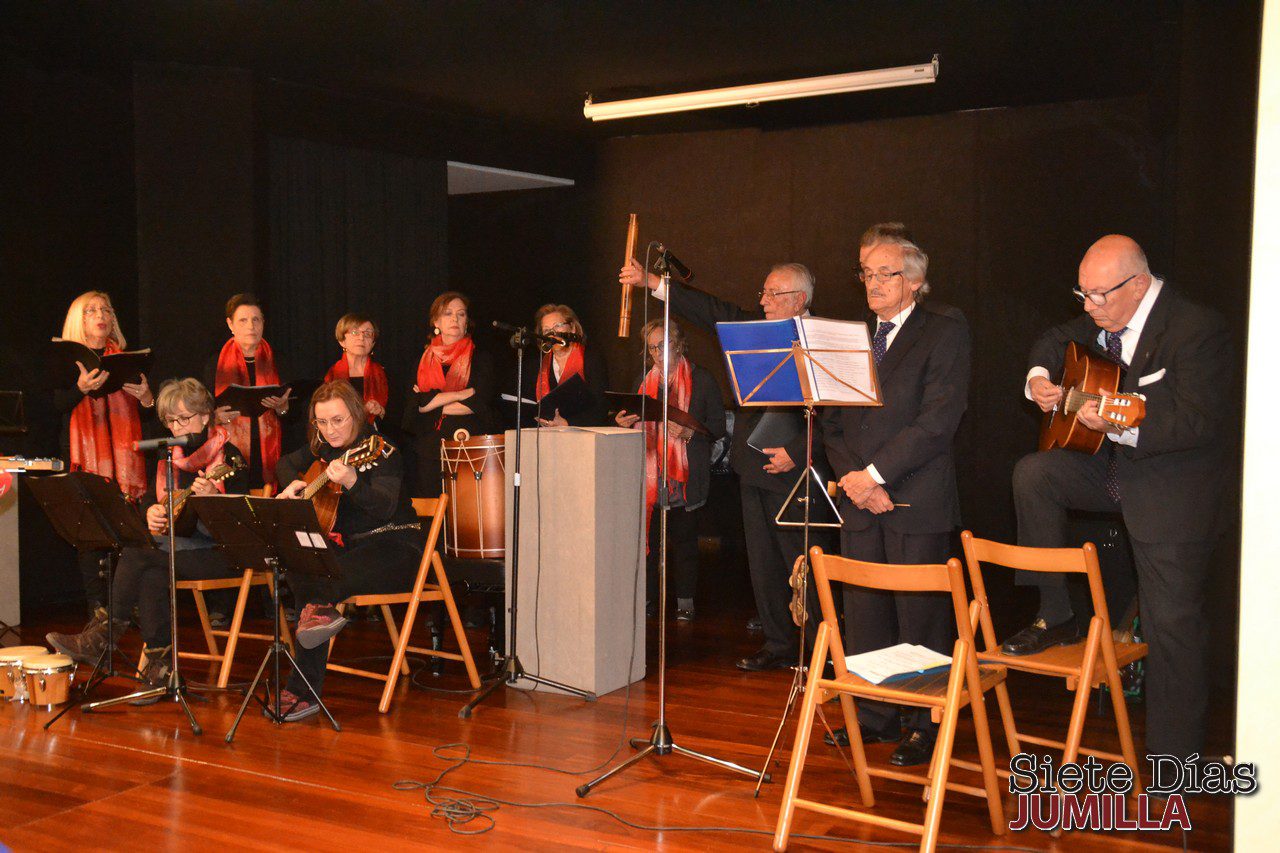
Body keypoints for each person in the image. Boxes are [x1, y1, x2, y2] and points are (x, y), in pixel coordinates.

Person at [1008, 234, 1231, 764]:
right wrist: (1039, 377)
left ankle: (1174, 760)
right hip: (1114, 473)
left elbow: (1198, 422)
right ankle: (1056, 611)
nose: (1088, 307)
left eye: (1098, 296)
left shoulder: (1197, 329)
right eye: (1081, 294)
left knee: (1170, 624)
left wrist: (1121, 425)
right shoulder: (1101, 312)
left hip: (1174, 488)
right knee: (1035, 474)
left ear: (1138, 284)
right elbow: (1054, 338)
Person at [620, 258, 826, 670]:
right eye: (762, 293)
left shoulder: (829, 339)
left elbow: (841, 415)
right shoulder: (753, 328)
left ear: (799, 299)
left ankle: (823, 651)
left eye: (773, 294)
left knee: (803, 561)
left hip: (798, 470)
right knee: (763, 561)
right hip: (752, 464)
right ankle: (778, 643)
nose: (764, 300)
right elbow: (710, 309)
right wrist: (651, 282)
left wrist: (801, 452)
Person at [820, 226, 971, 767]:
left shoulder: (944, 331)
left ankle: (922, 723)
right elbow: (832, 424)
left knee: (920, 617)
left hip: (915, 498)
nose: (874, 283)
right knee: (865, 613)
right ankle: (872, 715)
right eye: (866, 272)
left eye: (887, 273)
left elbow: (938, 421)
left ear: (915, 281)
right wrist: (856, 482)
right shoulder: (850, 335)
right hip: (858, 500)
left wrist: (876, 476)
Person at [46, 378, 248, 701]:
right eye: (170, 420)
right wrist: (151, 513)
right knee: (152, 569)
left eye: (185, 418)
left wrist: (214, 503)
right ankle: (159, 672)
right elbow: (151, 511)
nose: (177, 426)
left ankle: (105, 636)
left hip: (223, 553)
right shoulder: (169, 458)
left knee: (140, 553)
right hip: (177, 549)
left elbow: (243, 525)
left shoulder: (230, 457)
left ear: (206, 416)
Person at [272, 381, 424, 721]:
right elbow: (284, 463)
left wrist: (354, 481)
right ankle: (320, 623)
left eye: (338, 420)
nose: (330, 430)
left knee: (320, 581)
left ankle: (302, 690)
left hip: (396, 547)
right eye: (322, 423)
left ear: (356, 414)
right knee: (301, 562)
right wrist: (293, 485)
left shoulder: (383, 451)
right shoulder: (322, 448)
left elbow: (385, 507)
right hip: (353, 551)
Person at [616, 318, 726, 621]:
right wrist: (623, 422)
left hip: (685, 475)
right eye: (651, 348)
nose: (656, 353)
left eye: (662, 345)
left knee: (685, 541)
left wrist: (690, 432)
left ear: (677, 345)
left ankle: (685, 601)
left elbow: (718, 426)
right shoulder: (643, 379)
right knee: (649, 539)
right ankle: (649, 599)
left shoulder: (701, 378)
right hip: (651, 474)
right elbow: (628, 415)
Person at [53, 291, 153, 612]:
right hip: (84, 457)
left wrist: (148, 397)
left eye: (106, 309)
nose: (101, 315)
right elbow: (53, 406)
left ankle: (127, 606)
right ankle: (98, 608)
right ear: (77, 320)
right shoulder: (67, 361)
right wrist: (79, 390)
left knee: (128, 529)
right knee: (90, 534)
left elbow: (150, 416)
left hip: (125, 462)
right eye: (91, 310)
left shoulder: (125, 359)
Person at [402, 291, 494, 497]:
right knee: (433, 515)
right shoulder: (420, 360)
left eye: (461, 314)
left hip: (470, 446)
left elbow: (478, 403)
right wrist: (460, 394)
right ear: (436, 322)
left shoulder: (481, 358)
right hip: (428, 448)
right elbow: (414, 405)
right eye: (447, 313)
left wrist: (431, 404)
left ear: (467, 322)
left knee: (467, 516)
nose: (455, 318)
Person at [205, 293, 292, 494]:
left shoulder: (280, 361)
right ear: (230, 324)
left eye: (256, 319)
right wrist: (214, 418)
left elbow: (294, 417)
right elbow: (202, 411)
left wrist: (283, 409)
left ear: (263, 323)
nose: (251, 326)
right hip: (230, 455)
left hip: (272, 457)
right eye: (243, 320)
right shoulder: (215, 364)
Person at [528, 303, 608, 427]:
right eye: (547, 330)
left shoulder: (590, 359)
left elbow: (601, 407)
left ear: (572, 328)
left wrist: (567, 423)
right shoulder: (540, 365)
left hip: (586, 436)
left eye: (557, 326)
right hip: (549, 438)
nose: (552, 333)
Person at [324, 313, 389, 425]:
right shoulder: (331, 375)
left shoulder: (385, 374)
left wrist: (381, 411)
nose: (361, 337)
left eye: (368, 333)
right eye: (355, 332)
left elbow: (398, 417)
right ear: (342, 341)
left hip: (376, 435)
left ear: (373, 343)